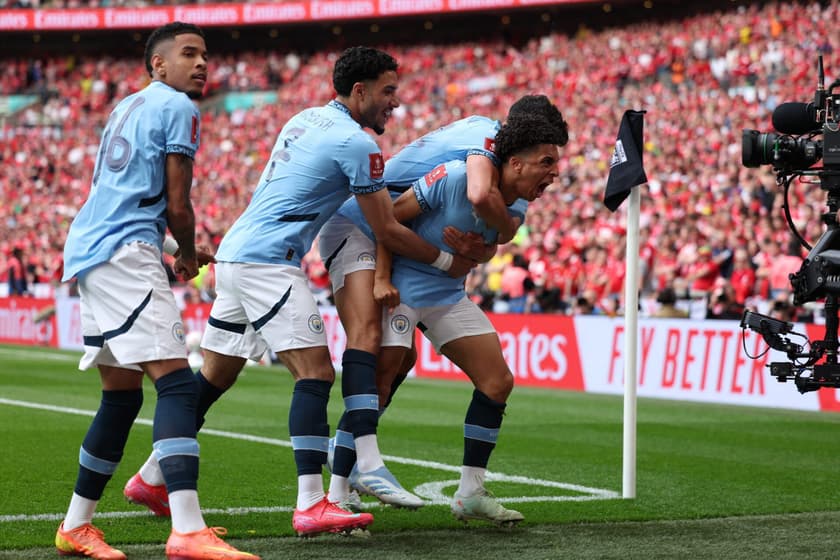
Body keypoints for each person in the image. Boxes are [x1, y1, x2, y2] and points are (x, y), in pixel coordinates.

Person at [124, 46, 474, 537]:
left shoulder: (306, 118)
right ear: (360, 91)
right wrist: (447, 260)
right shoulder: (358, 144)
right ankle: (312, 503)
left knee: (215, 375)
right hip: (269, 262)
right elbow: (388, 231)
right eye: (389, 92)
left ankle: (152, 475)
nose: (395, 103)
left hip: (235, 254)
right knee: (315, 373)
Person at [55, 22, 258, 560]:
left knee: (121, 397)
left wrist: (178, 248)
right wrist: (186, 253)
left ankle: (76, 525)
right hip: (123, 253)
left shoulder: (129, 105)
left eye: (205, 55)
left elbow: (130, 194)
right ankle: (188, 530)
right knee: (176, 385)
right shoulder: (180, 108)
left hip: (92, 249)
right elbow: (176, 202)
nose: (201, 63)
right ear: (158, 64)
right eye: (188, 53)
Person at [317, 95, 566, 510]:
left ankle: (470, 493)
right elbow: (390, 222)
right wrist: (381, 278)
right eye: (546, 162)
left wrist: (478, 251)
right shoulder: (456, 172)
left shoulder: (519, 203)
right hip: (404, 283)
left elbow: (493, 244)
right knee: (381, 378)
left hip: (447, 292)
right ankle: (338, 492)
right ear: (516, 161)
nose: (554, 175)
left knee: (497, 381)